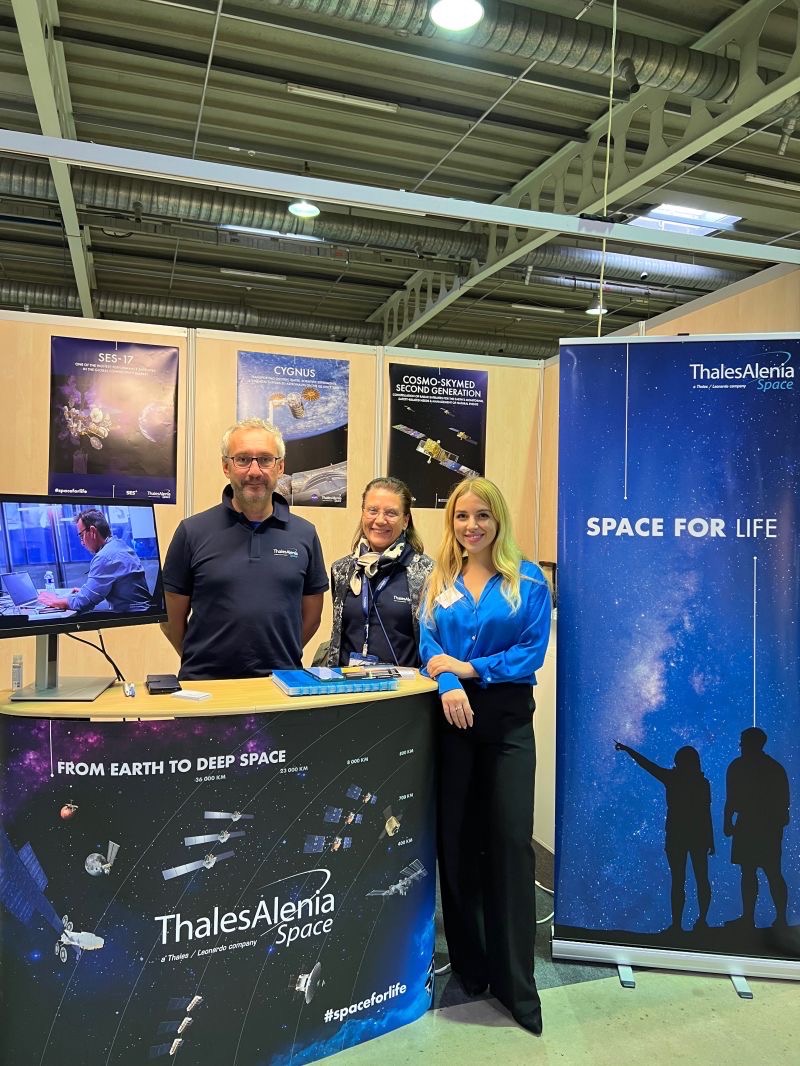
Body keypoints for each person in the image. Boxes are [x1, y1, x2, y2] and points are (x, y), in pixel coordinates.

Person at [419, 477, 551, 1035]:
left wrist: (470, 669)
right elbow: (428, 645)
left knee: (509, 843)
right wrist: (448, 681)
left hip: (506, 724)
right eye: (461, 516)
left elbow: (531, 651)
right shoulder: (439, 579)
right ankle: (471, 969)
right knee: (457, 844)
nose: (471, 526)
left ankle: (516, 984)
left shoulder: (528, 581)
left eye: (482, 516)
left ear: (499, 520)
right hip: (452, 722)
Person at [161, 418, 328, 680]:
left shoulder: (305, 534)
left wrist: (281, 656)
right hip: (206, 687)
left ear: (280, 467)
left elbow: (312, 617)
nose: (254, 471)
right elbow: (170, 618)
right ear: (226, 466)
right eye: (242, 459)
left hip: (281, 685)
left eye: (265, 459)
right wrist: (200, 661)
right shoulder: (191, 532)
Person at [326, 477, 433, 668]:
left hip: (405, 685)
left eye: (391, 513)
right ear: (363, 514)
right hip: (349, 683)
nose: (380, 520)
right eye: (373, 510)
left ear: (405, 521)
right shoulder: (342, 570)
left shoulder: (426, 573)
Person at [615, 742, 714, 932]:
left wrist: (628, 750)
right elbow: (705, 813)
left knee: (679, 880)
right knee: (701, 879)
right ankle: (701, 921)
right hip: (698, 836)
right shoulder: (702, 783)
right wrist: (710, 840)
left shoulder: (673, 778)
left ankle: (677, 925)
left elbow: (647, 765)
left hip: (677, 835)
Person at [724, 727, 790, 928]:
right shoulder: (774, 768)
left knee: (760, 872)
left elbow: (731, 798)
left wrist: (728, 821)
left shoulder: (738, 766)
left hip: (755, 824)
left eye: (743, 742)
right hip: (763, 826)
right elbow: (784, 802)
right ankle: (768, 917)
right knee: (765, 872)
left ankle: (754, 918)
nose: (740, 745)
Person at [38, 509, 151, 613]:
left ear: (92, 531)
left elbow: (83, 603)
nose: (82, 543)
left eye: (81, 536)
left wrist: (54, 601)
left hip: (132, 618)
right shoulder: (118, 545)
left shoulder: (105, 557)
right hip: (140, 612)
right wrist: (87, 592)